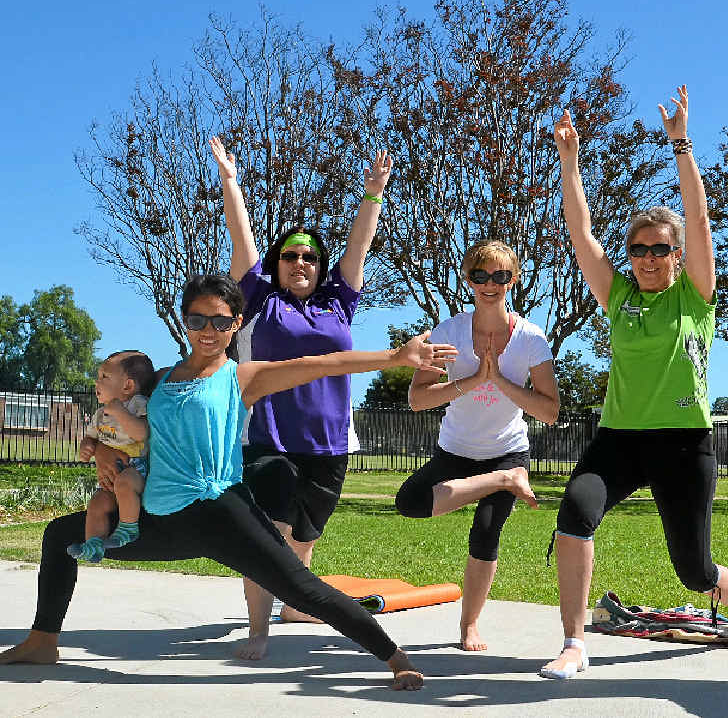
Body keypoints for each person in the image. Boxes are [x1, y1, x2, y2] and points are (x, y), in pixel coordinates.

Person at [0, 274, 457, 691]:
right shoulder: (156, 383)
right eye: (197, 318)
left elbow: (324, 364)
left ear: (236, 323)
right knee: (60, 534)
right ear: (185, 320)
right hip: (159, 518)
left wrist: (395, 357)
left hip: (223, 513)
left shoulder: (242, 377)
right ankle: (43, 641)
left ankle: (395, 657)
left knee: (301, 588)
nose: (208, 329)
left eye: (220, 321)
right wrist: (101, 450)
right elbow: (119, 427)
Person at [540, 87, 728, 680]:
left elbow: (698, 215)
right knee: (574, 515)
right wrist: (569, 162)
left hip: (684, 441)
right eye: (637, 249)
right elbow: (580, 230)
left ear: (676, 253)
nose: (646, 258)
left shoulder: (695, 294)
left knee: (693, 569)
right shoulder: (617, 296)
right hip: (619, 437)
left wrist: (680, 144)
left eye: (658, 249)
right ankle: (572, 641)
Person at [209, 137, 390, 659]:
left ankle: (293, 604)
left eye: (310, 256)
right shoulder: (261, 299)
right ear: (277, 263)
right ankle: (259, 630)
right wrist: (231, 182)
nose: (301, 262)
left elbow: (359, 246)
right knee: (271, 534)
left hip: (331, 443)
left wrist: (372, 194)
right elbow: (240, 238)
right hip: (269, 439)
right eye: (290, 255)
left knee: (304, 537)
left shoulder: (339, 301)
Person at [398, 240, 559, 651]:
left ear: (513, 279)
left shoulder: (531, 340)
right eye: (481, 275)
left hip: (506, 448)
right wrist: (471, 381)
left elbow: (550, 411)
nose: (491, 284)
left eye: (501, 276)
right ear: (467, 279)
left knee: (485, 534)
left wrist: (500, 382)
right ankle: (505, 480)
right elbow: (418, 399)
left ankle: (469, 625)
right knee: (410, 502)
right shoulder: (447, 333)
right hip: (455, 449)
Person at [68, 351, 155, 562]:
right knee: (97, 504)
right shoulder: (100, 414)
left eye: (104, 377)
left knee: (125, 484)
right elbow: (91, 437)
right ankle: (93, 545)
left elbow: (142, 433)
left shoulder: (137, 404)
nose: (97, 382)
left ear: (127, 386)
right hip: (109, 477)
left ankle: (127, 529)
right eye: (98, 376)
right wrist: (87, 447)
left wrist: (120, 413)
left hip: (136, 468)